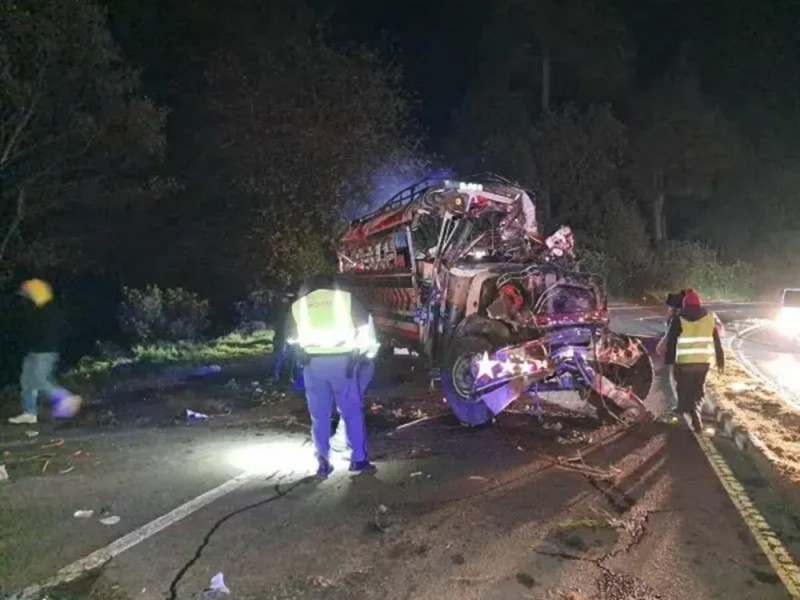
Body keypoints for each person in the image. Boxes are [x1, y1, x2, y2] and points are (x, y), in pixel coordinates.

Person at [287, 274, 380, 479]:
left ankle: (323, 461)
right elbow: (365, 326)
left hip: (313, 366)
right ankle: (358, 459)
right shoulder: (344, 299)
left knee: (319, 416)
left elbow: (291, 338)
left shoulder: (299, 306)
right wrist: (362, 353)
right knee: (351, 413)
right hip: (343, 365)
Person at [8, 279, 82, 424]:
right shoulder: (38, 308)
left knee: (39, 380)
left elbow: (49, 332)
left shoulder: (49, 310)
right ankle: (29, 413)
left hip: (45, 351)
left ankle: (66, 398)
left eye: (27, 294)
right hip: (34, 350)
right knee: (27, 382)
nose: (25, 298)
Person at [663, 288, 724, 433]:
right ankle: (694, 409)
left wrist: (669, 360)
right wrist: (720, 361)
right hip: (703, 363)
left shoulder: (679, 318)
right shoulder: (709, 319)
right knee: (698, 390)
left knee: (682, 387)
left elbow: (672, 342)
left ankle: (684, 409)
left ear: (685, 304)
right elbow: (717, 342)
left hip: (683, 362)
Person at [270, 292, 296, 385]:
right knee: (287, 356)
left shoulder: (282, 310)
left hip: (287, 336)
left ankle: (281, 375)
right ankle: (284, 375)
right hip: (287, 336)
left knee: (285, 356)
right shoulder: (291, 311)